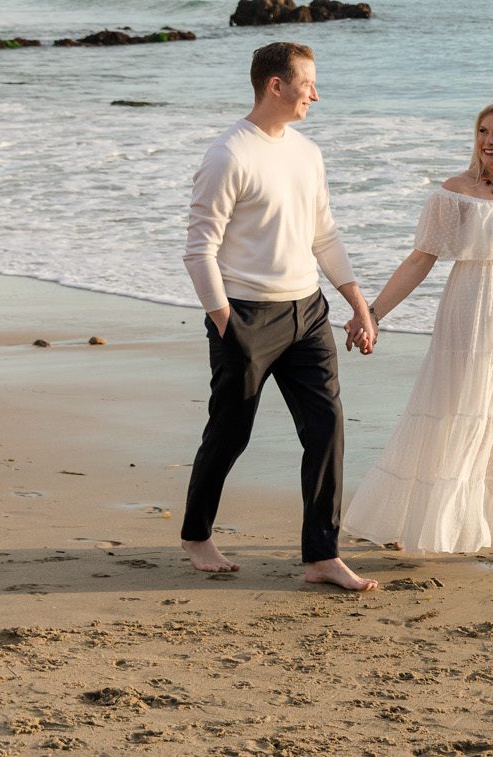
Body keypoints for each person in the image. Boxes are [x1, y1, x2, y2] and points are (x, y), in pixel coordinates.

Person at [179, 40, 379, 591]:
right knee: (230, 431)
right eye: (308, 83)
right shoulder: (229, 154)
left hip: (307, 312)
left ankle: (321, 555)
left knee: (327, 428)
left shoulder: (307, 153)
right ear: (276, 86)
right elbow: (199, 248)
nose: (316, 93)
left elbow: (325, 235)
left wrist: (357, 303)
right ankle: (197, 535)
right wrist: (226, 323)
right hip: (245, 314)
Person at [342, 99, 493, 565]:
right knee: (449, 413)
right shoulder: (455, 192)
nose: (489, 140)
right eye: (483, 131)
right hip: (470, 315)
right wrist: (373, 313)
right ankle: (403, 519)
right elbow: (420, 259)